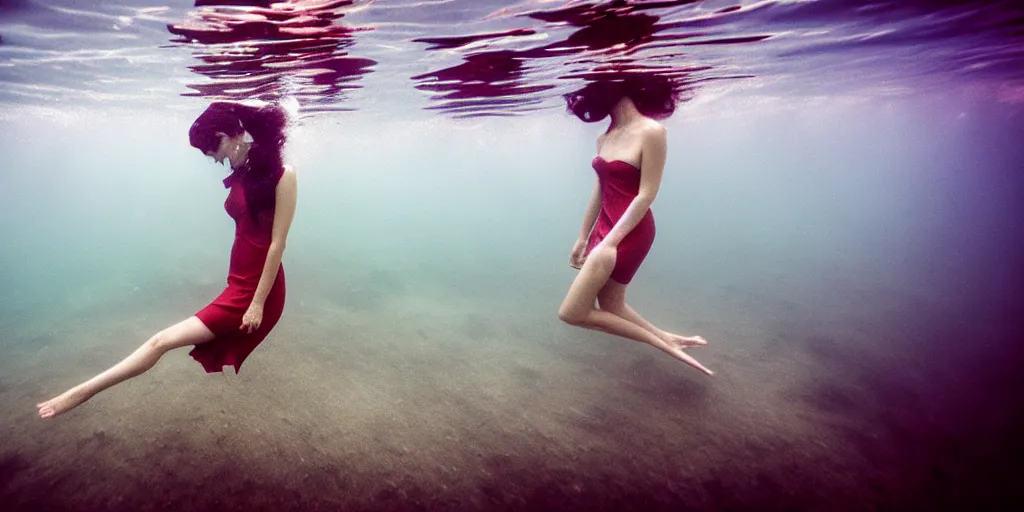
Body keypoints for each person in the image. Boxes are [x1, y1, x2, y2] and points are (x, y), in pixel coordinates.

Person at [37, 101, 298, 418]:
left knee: (160, 341)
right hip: (239, 282)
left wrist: (257, 303)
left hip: (257, 290)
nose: (212, 160)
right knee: (160, 341)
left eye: (210, 151)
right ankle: (84, 391)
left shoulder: (284, 176)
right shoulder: (246, 172)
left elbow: (277, 244)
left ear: (225, 136)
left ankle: (82, 392)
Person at [557, 75, 714, 376]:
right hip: (605, 227)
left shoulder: (652, 132)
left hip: (631, 231)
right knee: (613, 306)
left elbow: (647, 194)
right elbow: (600, 191)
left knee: (571, 312)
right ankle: (670, 338)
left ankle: (664, 346)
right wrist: (582, 236)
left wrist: (611, 242)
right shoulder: (604, 138)